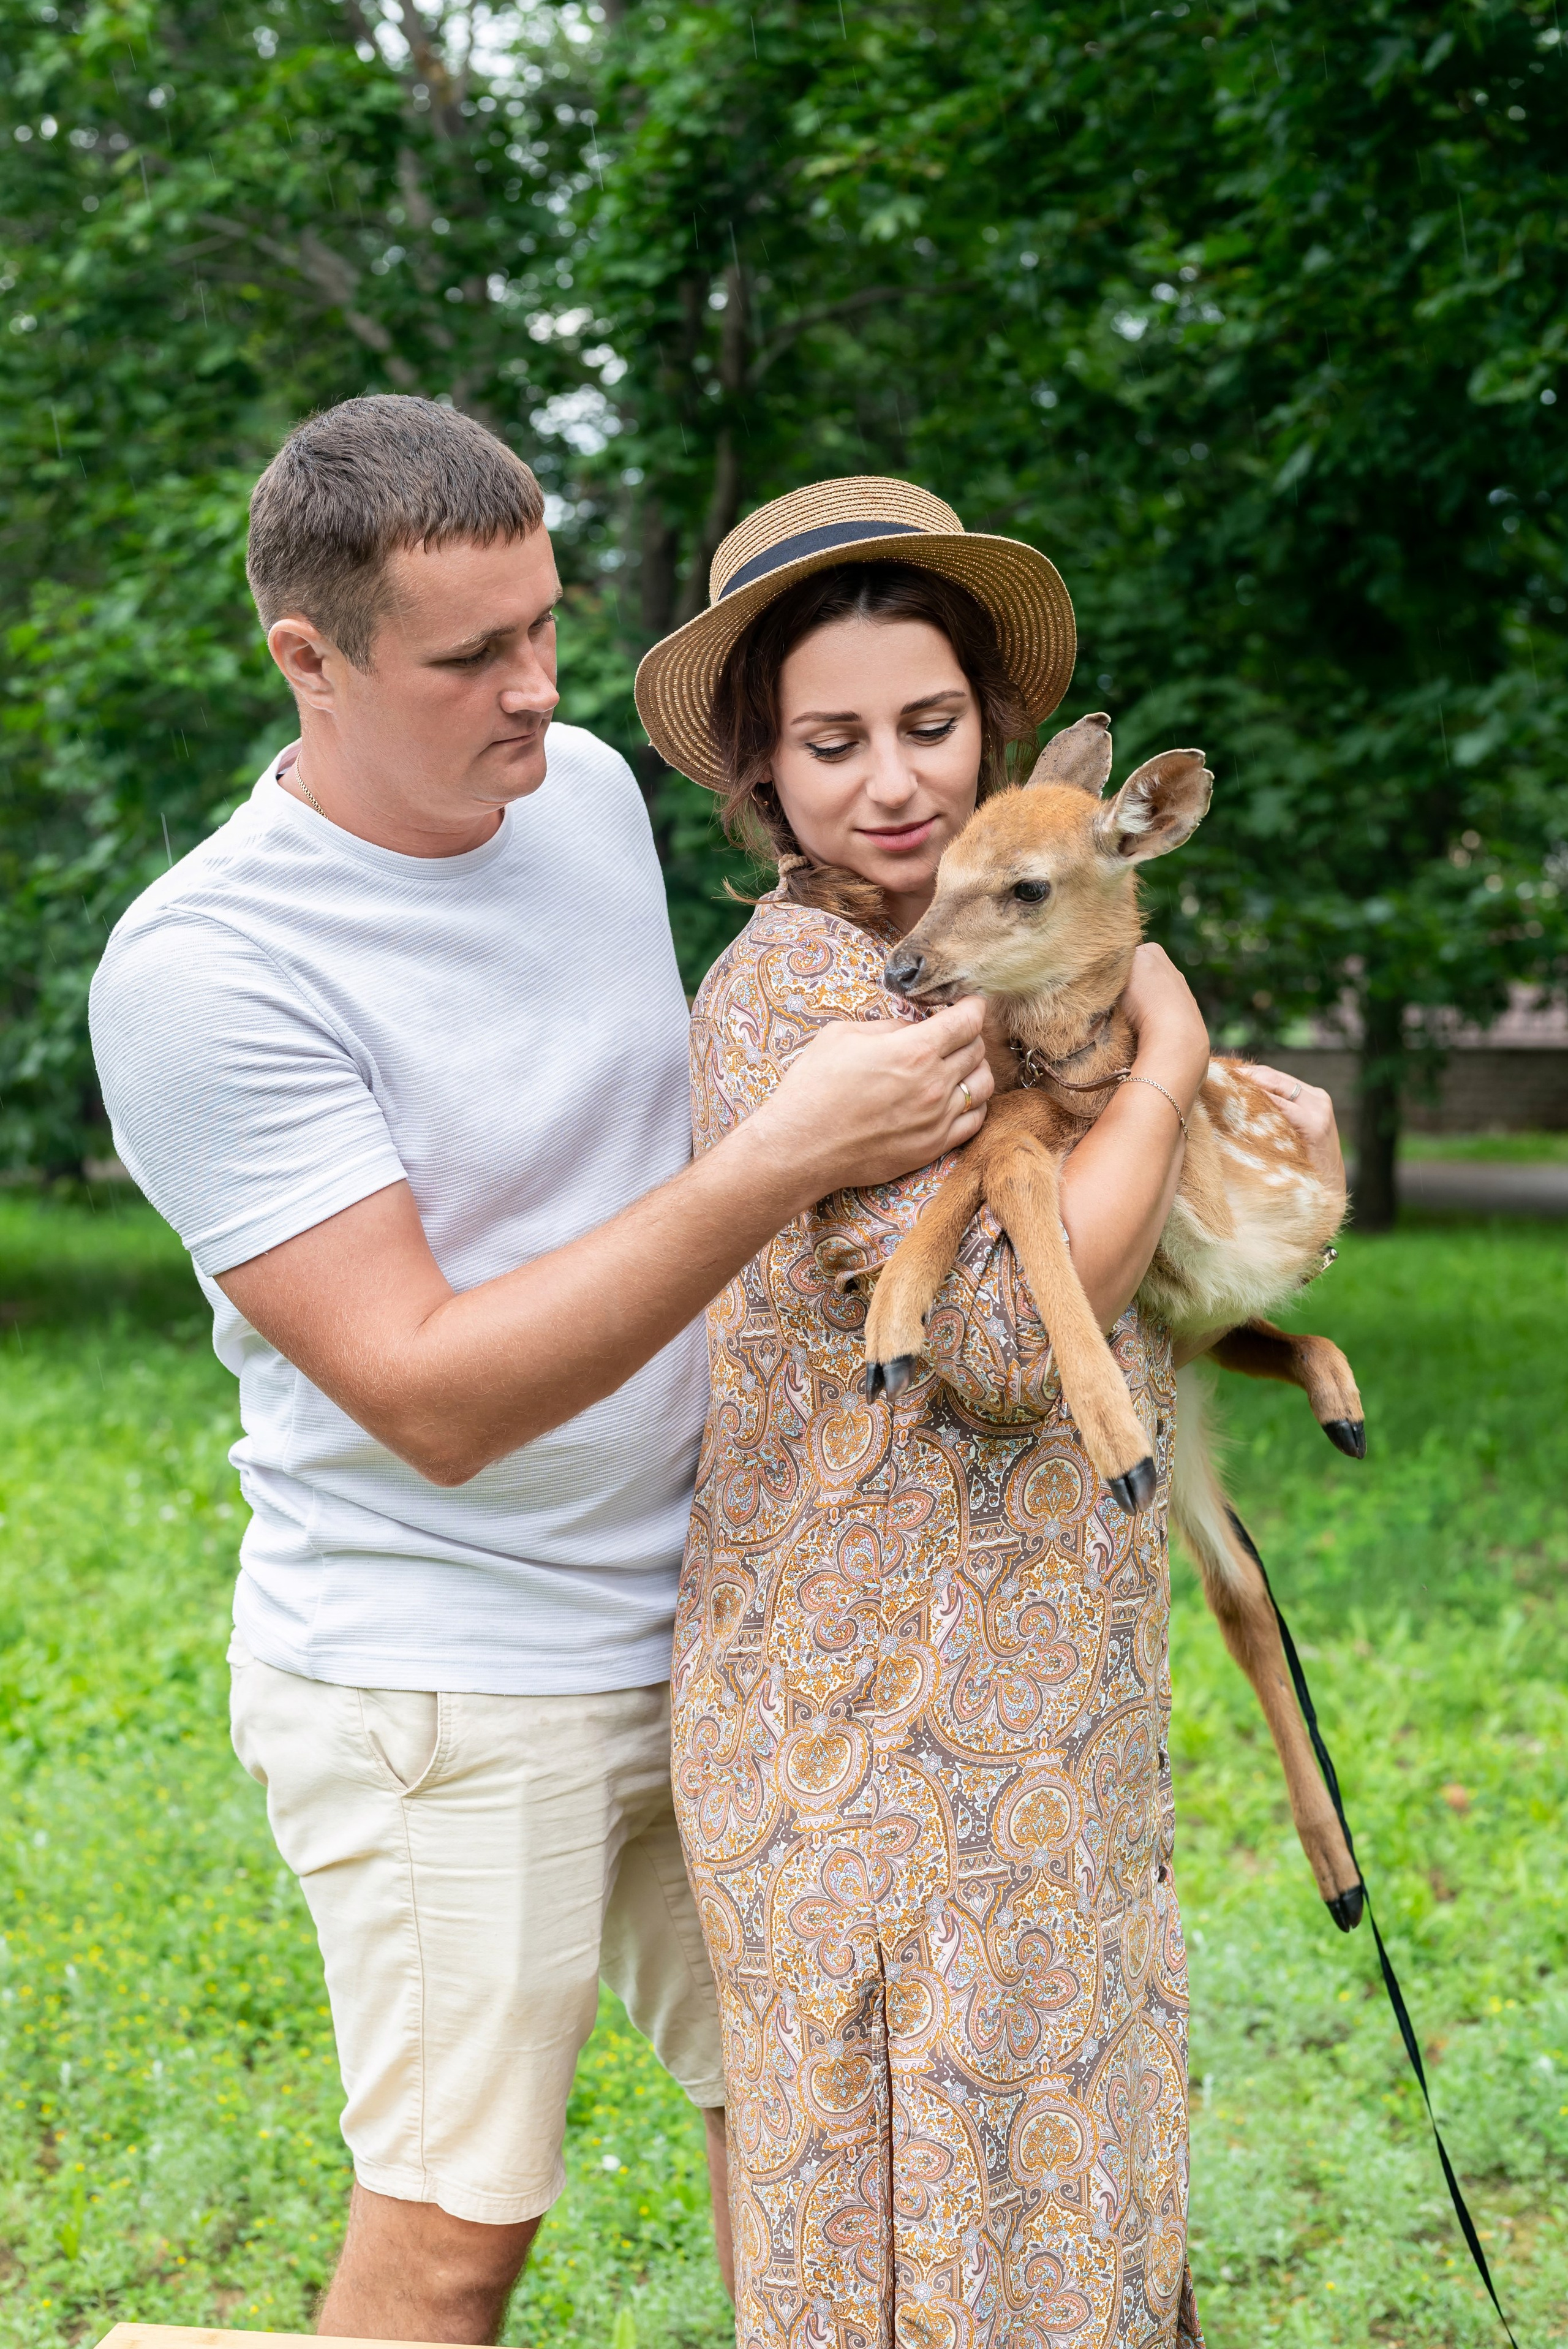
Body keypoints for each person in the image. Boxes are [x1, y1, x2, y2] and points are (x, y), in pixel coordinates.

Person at [87, 407, 997, 2345]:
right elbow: (429, 1393)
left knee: (824, 2122)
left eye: (546, 626)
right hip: (444, 1669)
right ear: (305, 658)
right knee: (460, 2226)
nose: (540, 690)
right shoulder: (208, 968)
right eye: (471, 656)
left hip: (703, 1613)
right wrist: (782, 1160)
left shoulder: (576, 792)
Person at [636, 477, 1340, 2348]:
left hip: (1031, 1705)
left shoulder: (1001, 964)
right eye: (832, 741)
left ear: (995, 731)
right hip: (880, 1741)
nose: (892, 784)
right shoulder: (814, 992)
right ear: (764, 777)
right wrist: (1175, 1053)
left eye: (930, 726)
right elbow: (1015, 1348)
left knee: (1067, 2195)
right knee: (936, 2238)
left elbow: (1160, 1252)